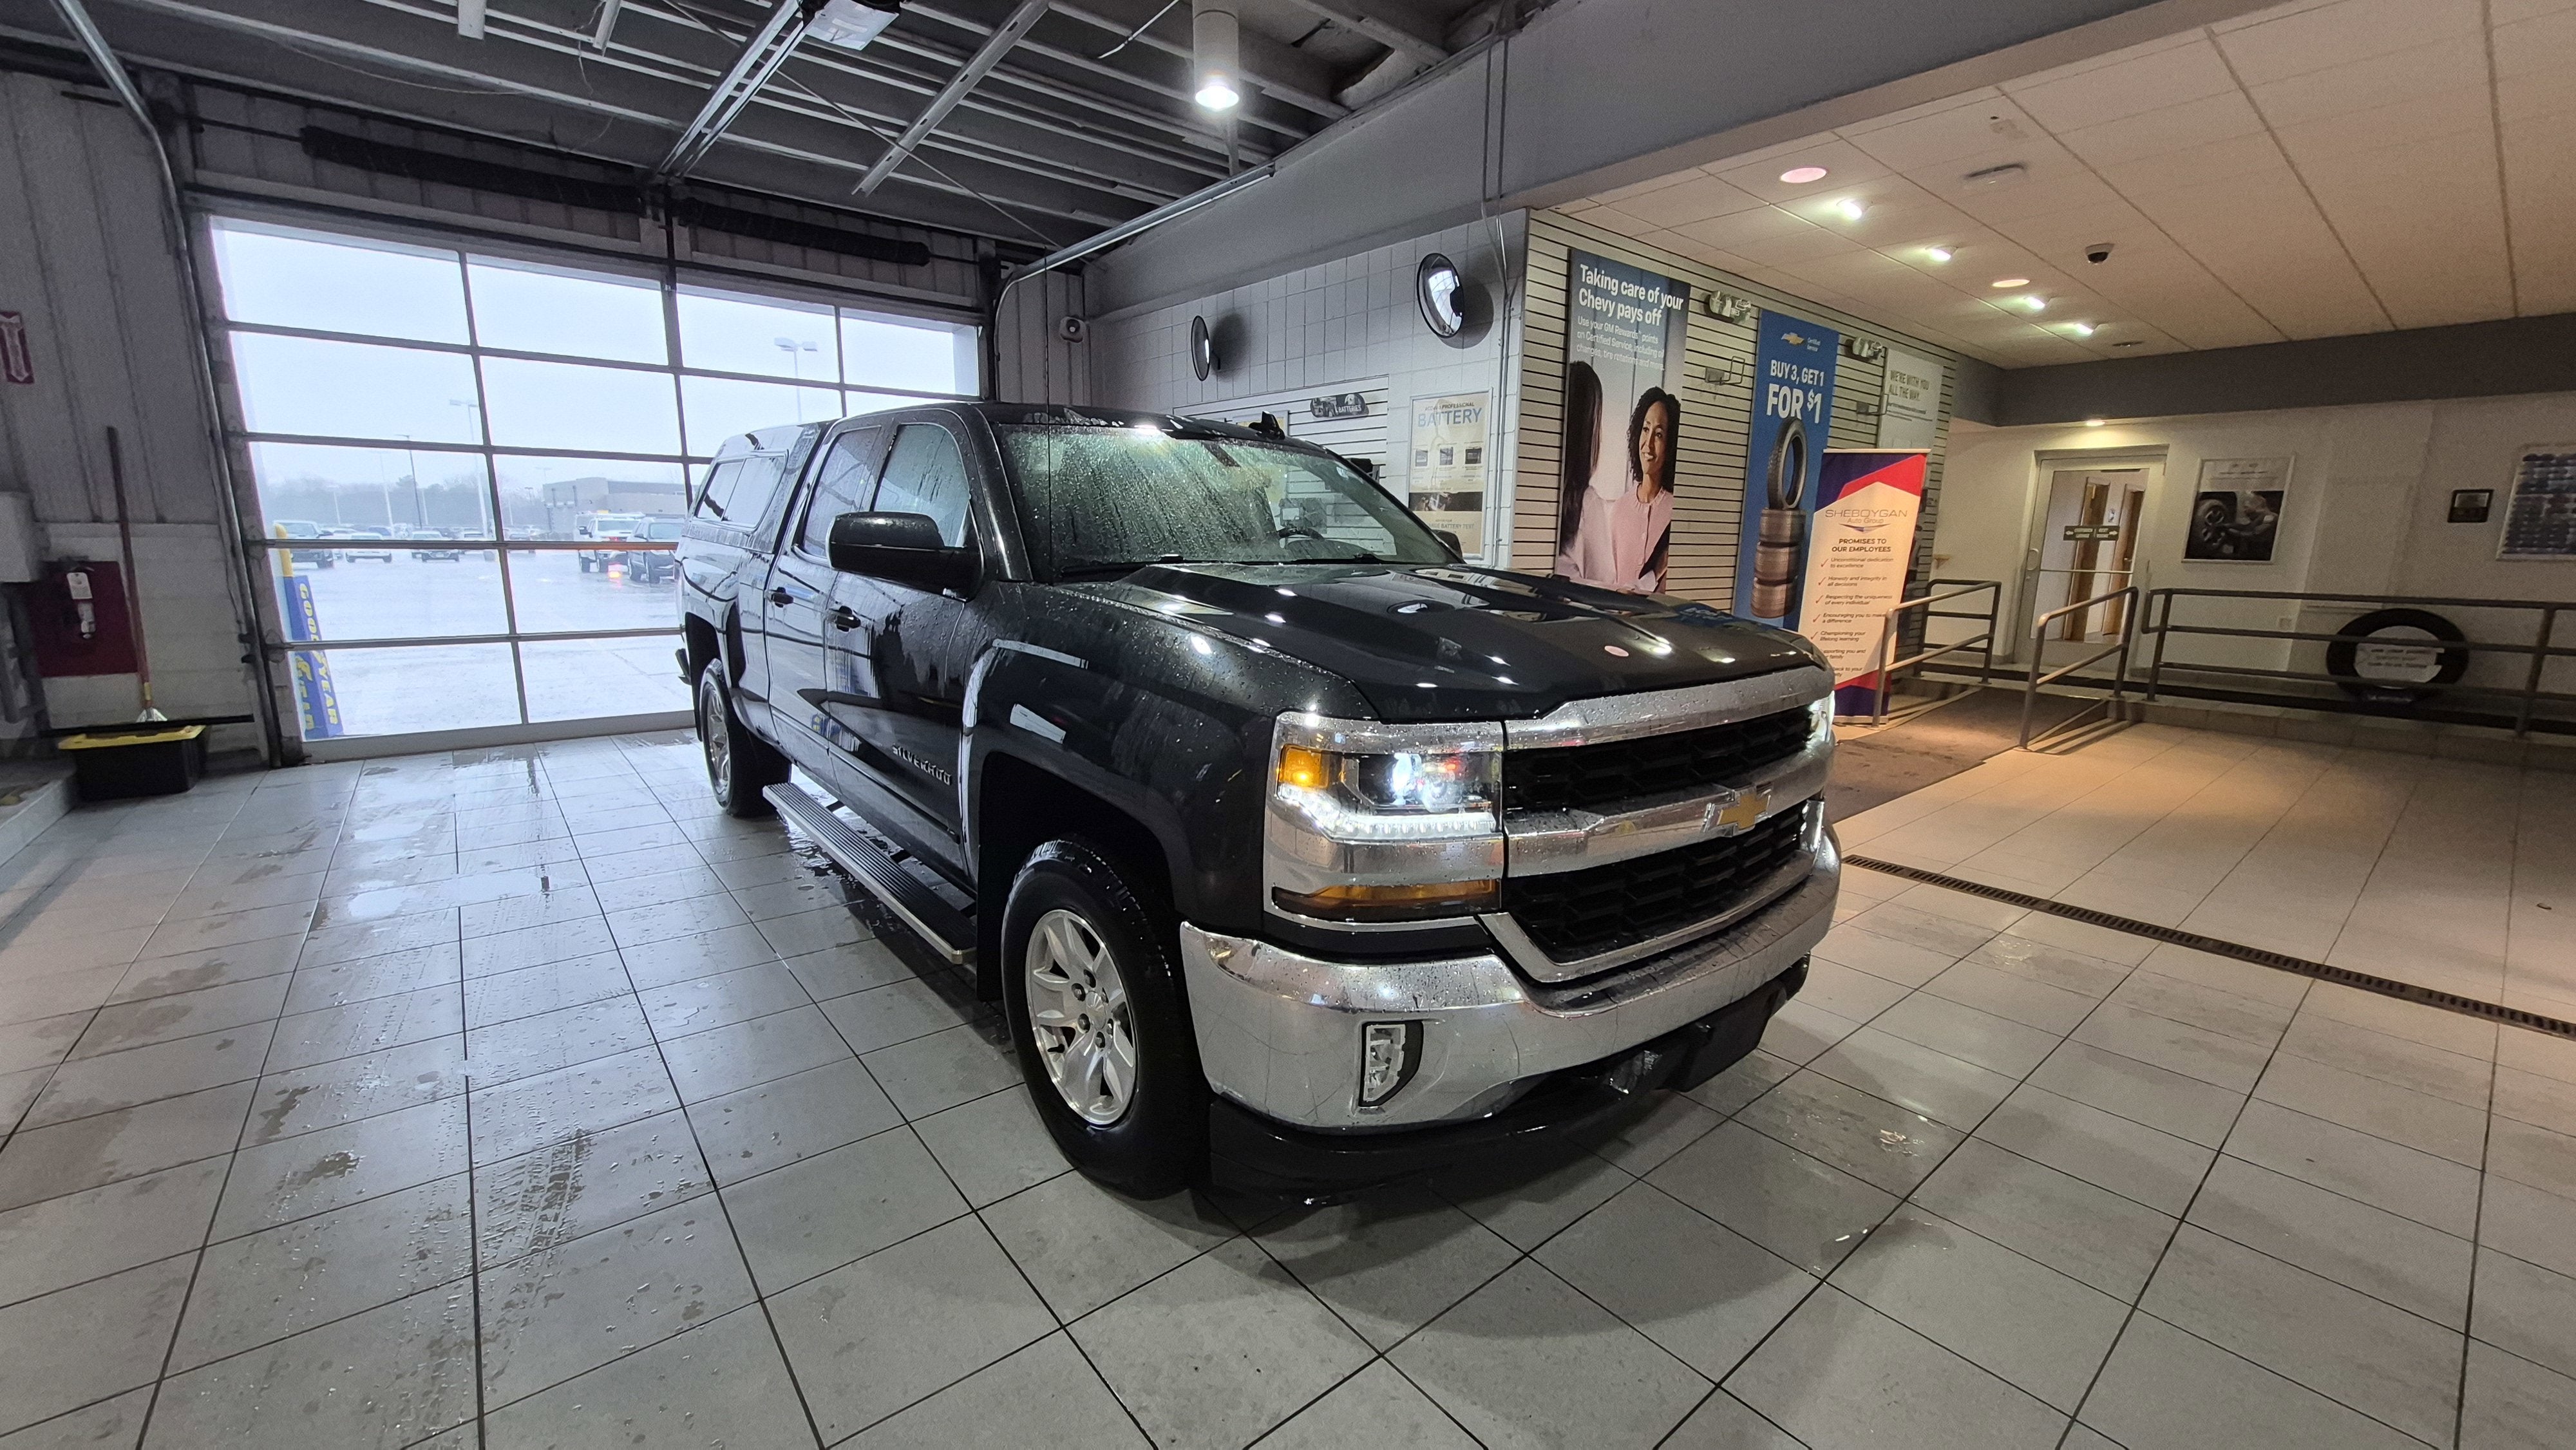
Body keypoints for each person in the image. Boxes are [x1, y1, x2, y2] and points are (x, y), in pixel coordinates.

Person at [1557, 386, 1678, 592]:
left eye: (1658, 435)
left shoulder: (1675, 511)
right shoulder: (1617, 509)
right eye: (1645, 429)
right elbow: (1606, 590)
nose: (1648, 445)